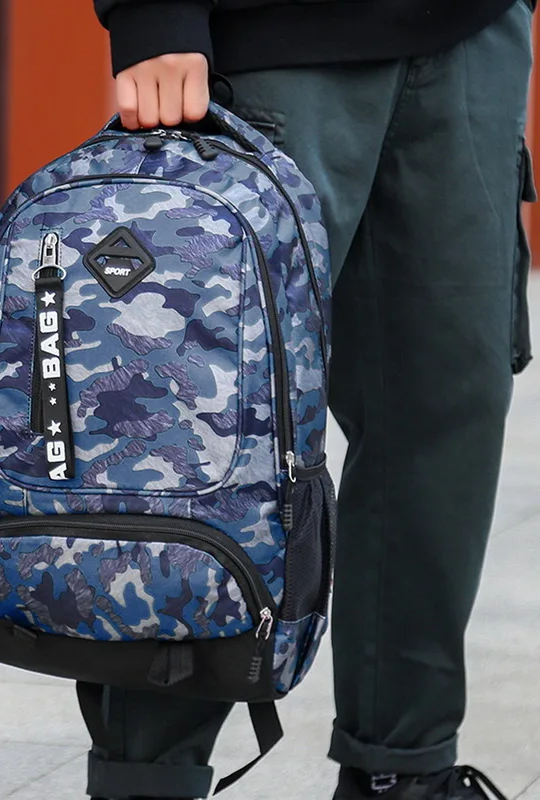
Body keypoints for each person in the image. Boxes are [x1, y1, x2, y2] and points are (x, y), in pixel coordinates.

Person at [84, 1, 536, 799]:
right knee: (202, 424)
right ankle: (145, 782)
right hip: (272, 45)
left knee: (444, 418)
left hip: (473, 35)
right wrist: (155, 13)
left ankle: (402, 772)